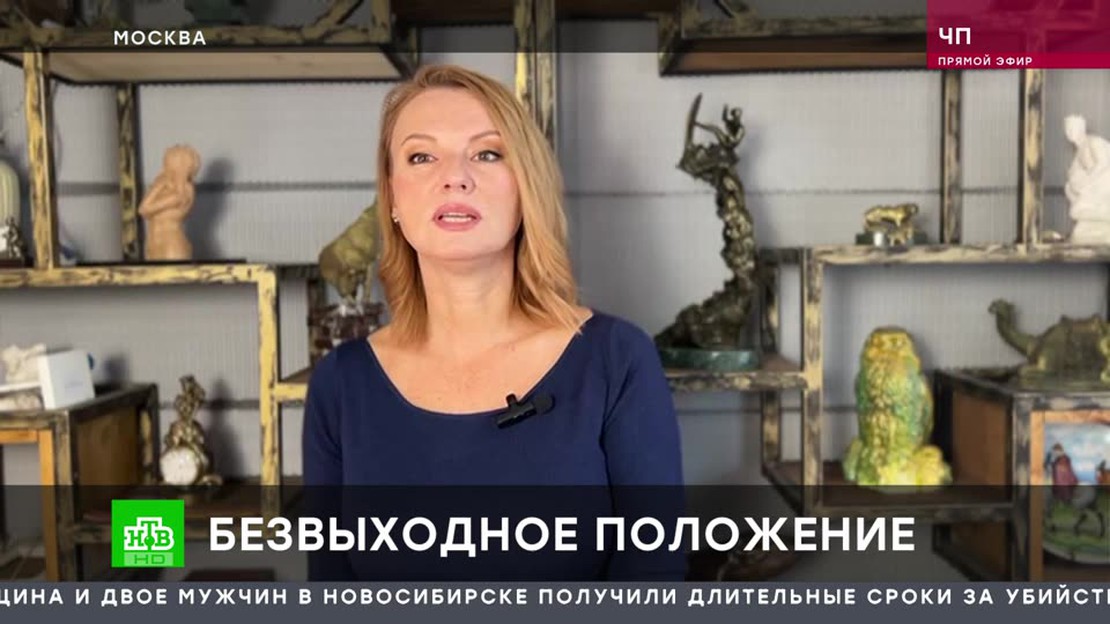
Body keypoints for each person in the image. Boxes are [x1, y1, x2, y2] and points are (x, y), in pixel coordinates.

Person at [301, 64, 686, 582]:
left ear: (526, 188)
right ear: (391, 198)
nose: (454, 177)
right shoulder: (340, 386)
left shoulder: (617, 361)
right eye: (421, 156)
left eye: (487, 153)